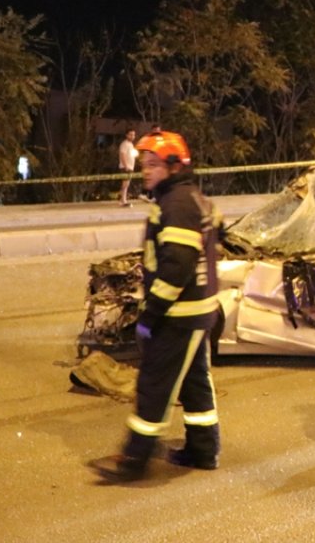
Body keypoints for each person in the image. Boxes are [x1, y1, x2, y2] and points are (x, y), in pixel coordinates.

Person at [91, 128, 224, 482]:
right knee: (195, 382)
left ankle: (134, 460)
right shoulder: (192, 198)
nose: (145, 170)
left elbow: (177, 267)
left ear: (174, 166)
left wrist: (150, 316)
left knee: (154, 386)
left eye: (152, 164)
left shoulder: (176, 204)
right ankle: (203, 449)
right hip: (198, 311)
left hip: (178, 315)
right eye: (143, 164)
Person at [118, 128, 138, 207]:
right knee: (125, 184)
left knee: (126, 184)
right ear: (126, 135)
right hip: (125, 167)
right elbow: (122, 155)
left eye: (133, 135)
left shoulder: (131, 145)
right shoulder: (124, 144)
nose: (132, 136)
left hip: (130, 167)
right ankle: (123, 201)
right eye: (131, 134)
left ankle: (122, 199)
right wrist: (126, 166)